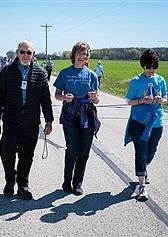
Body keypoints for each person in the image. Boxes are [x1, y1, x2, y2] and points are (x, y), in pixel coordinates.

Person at [0, 39, 54, 200]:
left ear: (33, 54)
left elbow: (45, 99)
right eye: (22, 52)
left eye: (29, 52)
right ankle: (9, 180)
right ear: (17, 53)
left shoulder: (40, 73)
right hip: (11, 120)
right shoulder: (7, 71)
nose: (25, 55)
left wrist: (49, 120)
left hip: (31, 122)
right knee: (7, 152)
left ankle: (23, 184)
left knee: (27, 155)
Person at [53, 41, 100, 196]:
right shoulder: (65, 73)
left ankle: (78, 182)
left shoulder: (92, 75)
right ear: (74, 55)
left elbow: (97, 99)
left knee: (84, 151)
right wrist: (64, 97)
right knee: (73, 149)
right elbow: (57, 95)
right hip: (70, 115)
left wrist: (95, 97)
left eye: (86, 53)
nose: (83, 55)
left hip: (87, 115)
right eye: (80, 52)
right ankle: (67, 180)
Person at [124, 49, 167, 202]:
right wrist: (142, 101)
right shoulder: (136, 81)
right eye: (148, 66)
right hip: (139, 122)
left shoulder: (161, 80)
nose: (151, 69)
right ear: (143, 65)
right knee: (141, 153)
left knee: (151, 152)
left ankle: (144, 167)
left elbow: (166, 97)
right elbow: (129, 101)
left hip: (156, 122)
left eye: (154, 66)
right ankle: (142, 186)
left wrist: (161, 100)